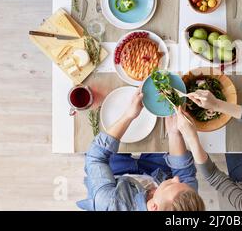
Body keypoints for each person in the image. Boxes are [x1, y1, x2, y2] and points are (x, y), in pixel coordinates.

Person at [77, 87, 205, 211]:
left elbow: (96, 157)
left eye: (171, 185)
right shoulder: (187, 205)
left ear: (154, 207)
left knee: (93, 139)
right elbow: (185, 175)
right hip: (155, 174)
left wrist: (128, 115)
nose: (177, 180)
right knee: (161, 139)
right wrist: (174, 133)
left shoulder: (109, 203)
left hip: (116, 177)